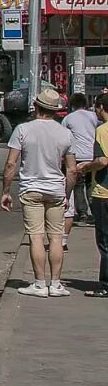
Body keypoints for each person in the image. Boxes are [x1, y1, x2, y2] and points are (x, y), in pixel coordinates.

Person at [0, 87, 79, 297]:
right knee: (55, 237)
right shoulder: (65, 133)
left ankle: (39, 284)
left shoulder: (23, 130)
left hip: (31, 190)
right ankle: (56, 284)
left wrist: (6, 191)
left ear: (36, 107)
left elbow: (10, 164)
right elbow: (71, 170)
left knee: (36, 237)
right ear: (55, 111)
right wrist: (67, 195)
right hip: (56, 191)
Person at [75, 93, 108, 295]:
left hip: (104, 192)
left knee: (105, 241)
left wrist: (86, 167)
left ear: (101, 108)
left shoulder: (103, 130)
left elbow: (103, 161)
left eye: (96, 108)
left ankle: (105, 285)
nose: (95, 112)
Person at [62, 91, 99, 239]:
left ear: (72, 105)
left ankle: (82, 213)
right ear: (86, 103)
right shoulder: (94, 116)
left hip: (76, 156)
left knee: (77, 184)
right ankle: (94, 213)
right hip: (93, 155)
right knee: (91, 183)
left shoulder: (68, 118)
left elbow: (64, 137)